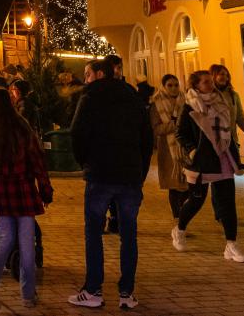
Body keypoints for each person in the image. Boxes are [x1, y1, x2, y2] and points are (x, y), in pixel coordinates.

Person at [68, 59, 152, 309]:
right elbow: (146, 138)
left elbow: (77, 132)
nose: (86, 79)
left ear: (100, 73)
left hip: (100, 174)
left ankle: (93, 289)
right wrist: (141, 171)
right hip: (129, 175)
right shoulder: (133, 97)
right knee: (129, 235)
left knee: (94, 232)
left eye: (88, 74)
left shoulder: (91, 96)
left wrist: (85, 162)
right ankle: (127, 292)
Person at [0, 87, 53, 309]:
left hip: (0, 191)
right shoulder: (21, 127)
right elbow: (37, 161)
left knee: (6, 236)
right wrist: (45, 190)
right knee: (26, 243)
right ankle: (28, 294)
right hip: (22, 189)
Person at [173, 69, 244, 262]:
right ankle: (179, 229)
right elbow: (180, 133)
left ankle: (231, 245)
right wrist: (192, 150)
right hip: (201, 161)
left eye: (210, 81)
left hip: (223, 158)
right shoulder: (189, 106)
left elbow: (230, 128)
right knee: (196, 200)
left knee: (228, 204)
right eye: (205, 82)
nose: (210, 85)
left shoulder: (221, 101)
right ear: (196, 85)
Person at [149, 74, 189, 223]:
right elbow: (157, 129)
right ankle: (178, 218)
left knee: (188, 184)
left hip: (185, 147)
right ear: (163, 86)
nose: (173, 88)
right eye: (170, 85)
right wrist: (176, 125)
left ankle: (183, 217)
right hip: (168, 149)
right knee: (174, 185)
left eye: (176, 85)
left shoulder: (186, 101)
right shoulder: (156, 104)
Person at [209, 63, 244, 150]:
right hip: (213, 145)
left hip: (231, 142)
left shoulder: (233, 95)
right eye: (222, 74)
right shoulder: (207, 96)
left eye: (227, 75)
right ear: (213, 76)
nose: (225, 78)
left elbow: (241, 119)